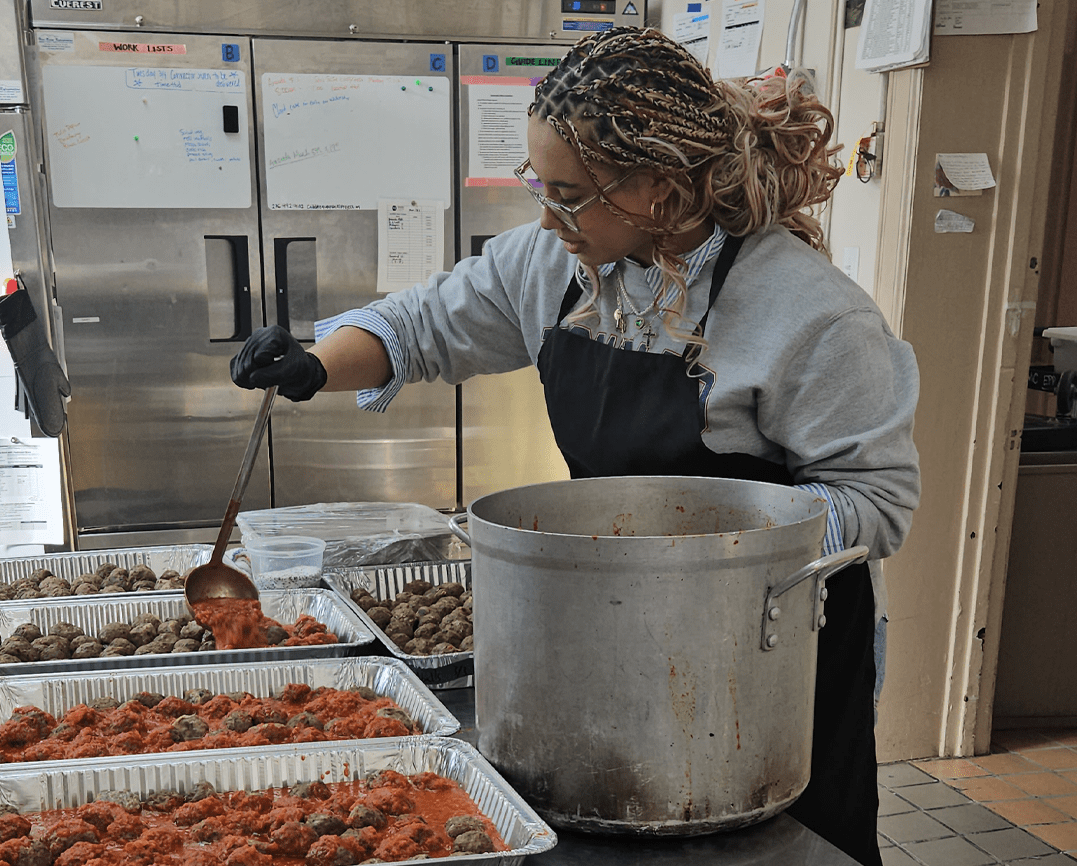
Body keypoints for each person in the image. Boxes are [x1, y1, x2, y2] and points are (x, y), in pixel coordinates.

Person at [232, 26, 919, 866]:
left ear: (659, 189)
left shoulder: (811, 316)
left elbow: (877, 503)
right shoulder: (555, 266)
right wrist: (313, 364)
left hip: (772, 656)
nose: (546, 217)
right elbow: (425, 323)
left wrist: (702, 551)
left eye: (569, 193)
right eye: (538, 186)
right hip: (616, 630)